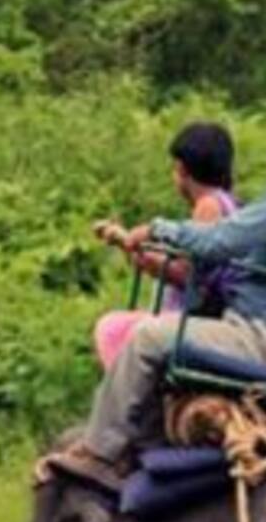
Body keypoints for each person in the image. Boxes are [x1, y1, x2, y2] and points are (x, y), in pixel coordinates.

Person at [41, 83, 266, 488]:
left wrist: (157, 229)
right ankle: (147, 444)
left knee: (148, 338)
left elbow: (219, 241)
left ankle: (98, 453)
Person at [90, 121, 238, 369]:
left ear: (181, 169)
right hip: (202, 312)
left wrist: (142, 255)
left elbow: (187, 273)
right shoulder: (228, 202)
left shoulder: (209, 206)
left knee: (111, 328)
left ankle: (131, 399)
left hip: (195, 316)